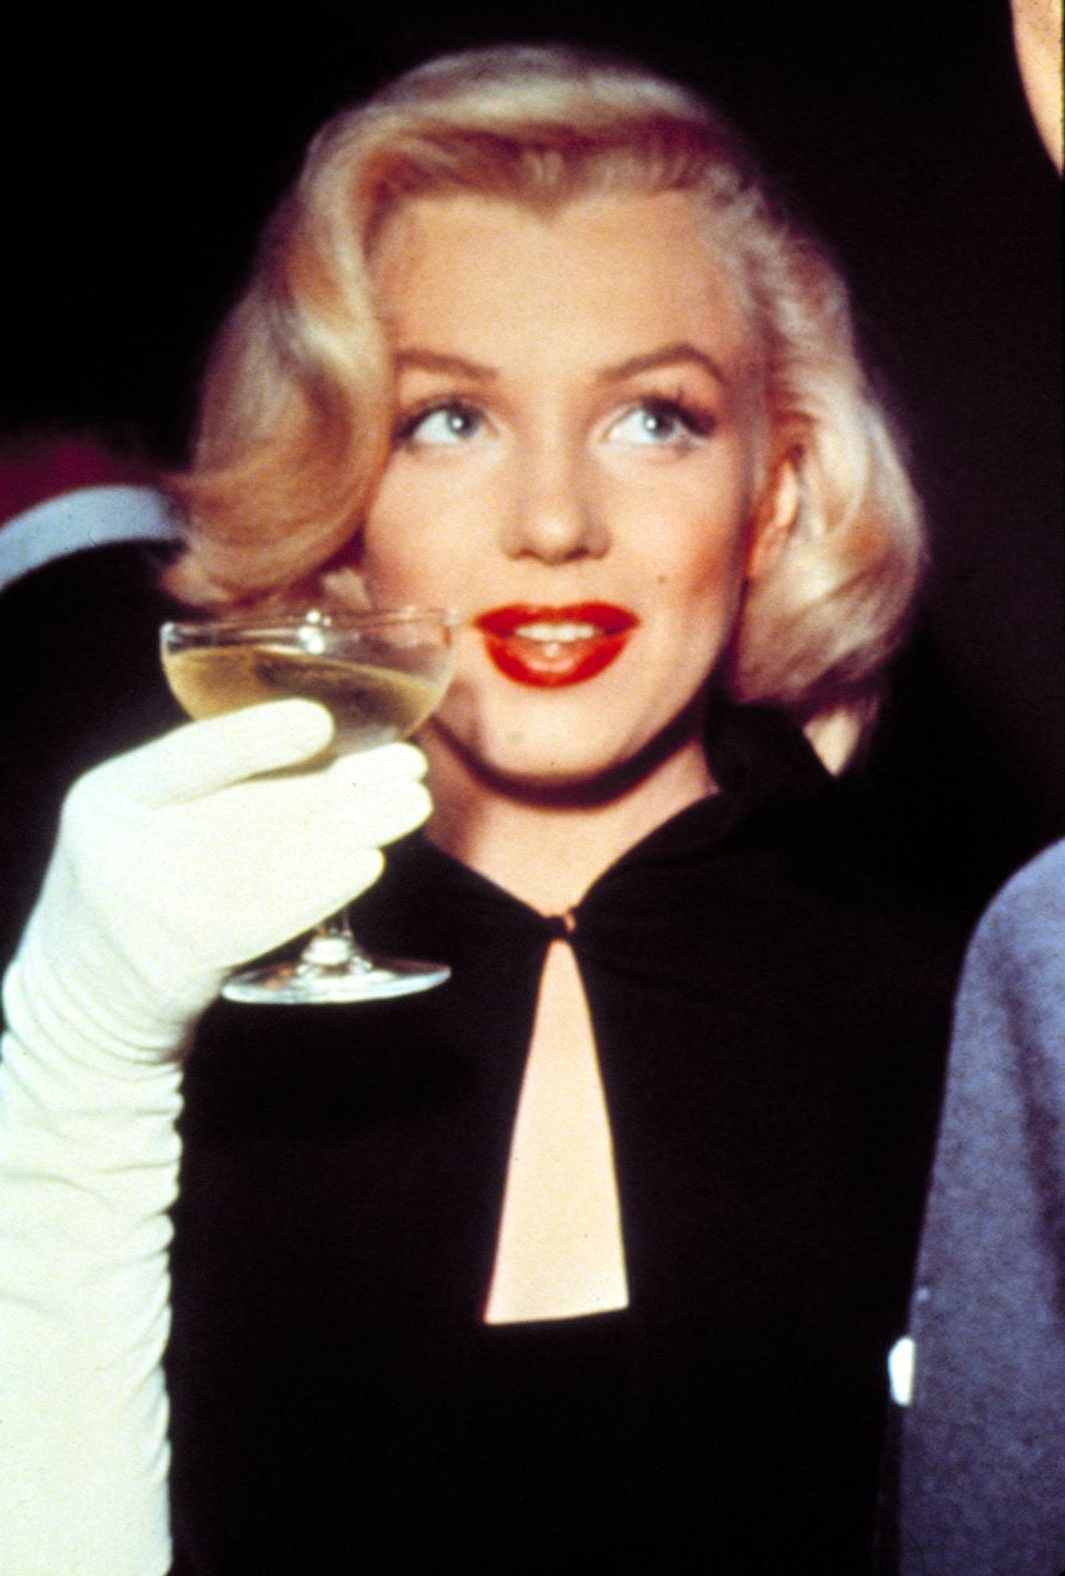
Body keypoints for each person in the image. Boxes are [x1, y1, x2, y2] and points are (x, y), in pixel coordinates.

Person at [0, 45, 961, 1573]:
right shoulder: (145, 1006)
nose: (554, 523)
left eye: (654, 418)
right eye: (447, 420)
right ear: (342, 500)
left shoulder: (959, 1012)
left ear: (770, 495)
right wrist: (70, 1063)